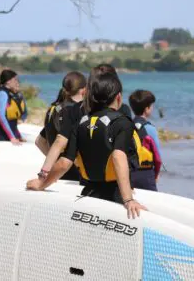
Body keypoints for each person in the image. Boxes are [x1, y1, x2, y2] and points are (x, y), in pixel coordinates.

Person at [27, 72, 147, 219]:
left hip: (88, 194)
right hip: (115, 196)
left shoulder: (80, 123)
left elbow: (64, 162)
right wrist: (128, 199)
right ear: (119, 97)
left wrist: (41, 184)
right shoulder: (123, 123)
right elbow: (118, 156)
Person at [35, 71, 87, 181]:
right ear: (84, 90)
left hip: (58, 170)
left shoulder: (54, 109)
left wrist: (54, 162)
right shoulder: (78, 110)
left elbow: (39, 141)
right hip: (75, 172)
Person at [129, 89, 163, 191]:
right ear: (147, 109)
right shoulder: (150, 129)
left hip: (130, 173)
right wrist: (156, 174)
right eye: (151, 106)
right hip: (146, 174)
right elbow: (157, 157)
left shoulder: (127, 126)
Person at [0, 69, 27, 144]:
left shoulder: (10, 93)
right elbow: (1, 117)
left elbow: (13, 122)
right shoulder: (2, 93)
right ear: (8, 81)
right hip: (3, 136)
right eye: (15, 80)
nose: (17, 82)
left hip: (11, 135)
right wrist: (12, 137)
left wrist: (18, 136)